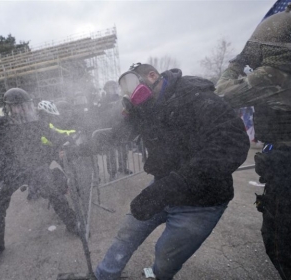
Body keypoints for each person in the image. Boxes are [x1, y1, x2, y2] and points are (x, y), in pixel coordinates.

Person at [94, 63, 250, 280]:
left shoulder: (196, 96)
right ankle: (103, 276)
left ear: (152, 75)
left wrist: (172, 186)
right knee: (127, 233)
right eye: (125, 89)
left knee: (166, 256)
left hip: (201, 202)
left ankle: (156, 275)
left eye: (131, 84)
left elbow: (231, 144)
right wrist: (81, 149)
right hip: (163, 187)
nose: (130, 94)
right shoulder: (146, 109)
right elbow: (119, 135)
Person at [0, 88, 80, 271]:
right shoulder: (1, 124)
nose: (23, 110)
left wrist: (71, 139)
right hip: (10, 170)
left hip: (35, 166)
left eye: (25, 106)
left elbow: (53, 135)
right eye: (18, 107)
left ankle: (72, 224)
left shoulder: (37, 121)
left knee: (54, 193)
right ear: (9, 108)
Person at [215, 5, 291, 279]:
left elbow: (224, 94)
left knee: (281, 245)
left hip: (287, 164)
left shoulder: (277, 73)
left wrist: (236, 64)